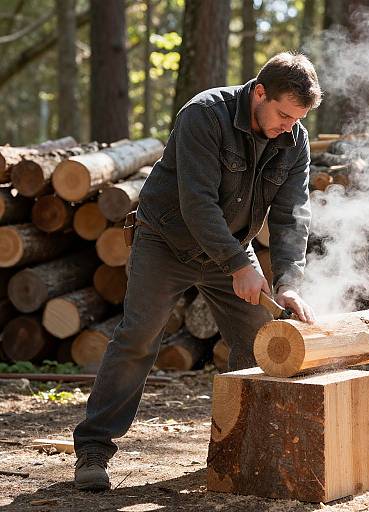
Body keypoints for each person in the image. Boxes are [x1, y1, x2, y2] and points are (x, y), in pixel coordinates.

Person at [73, 52, 322, 491]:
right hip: (165, 240)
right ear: (259, 92)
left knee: (260, 343)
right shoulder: (204, 115)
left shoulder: (294, 138)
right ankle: (94, 449)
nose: (288, 126)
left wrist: (288, 283)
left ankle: (244, 446)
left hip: (229, 248)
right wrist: (239, 264)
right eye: (283, 114)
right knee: (139, 336)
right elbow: (197, 203)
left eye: (296, 119)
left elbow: (292, 215)